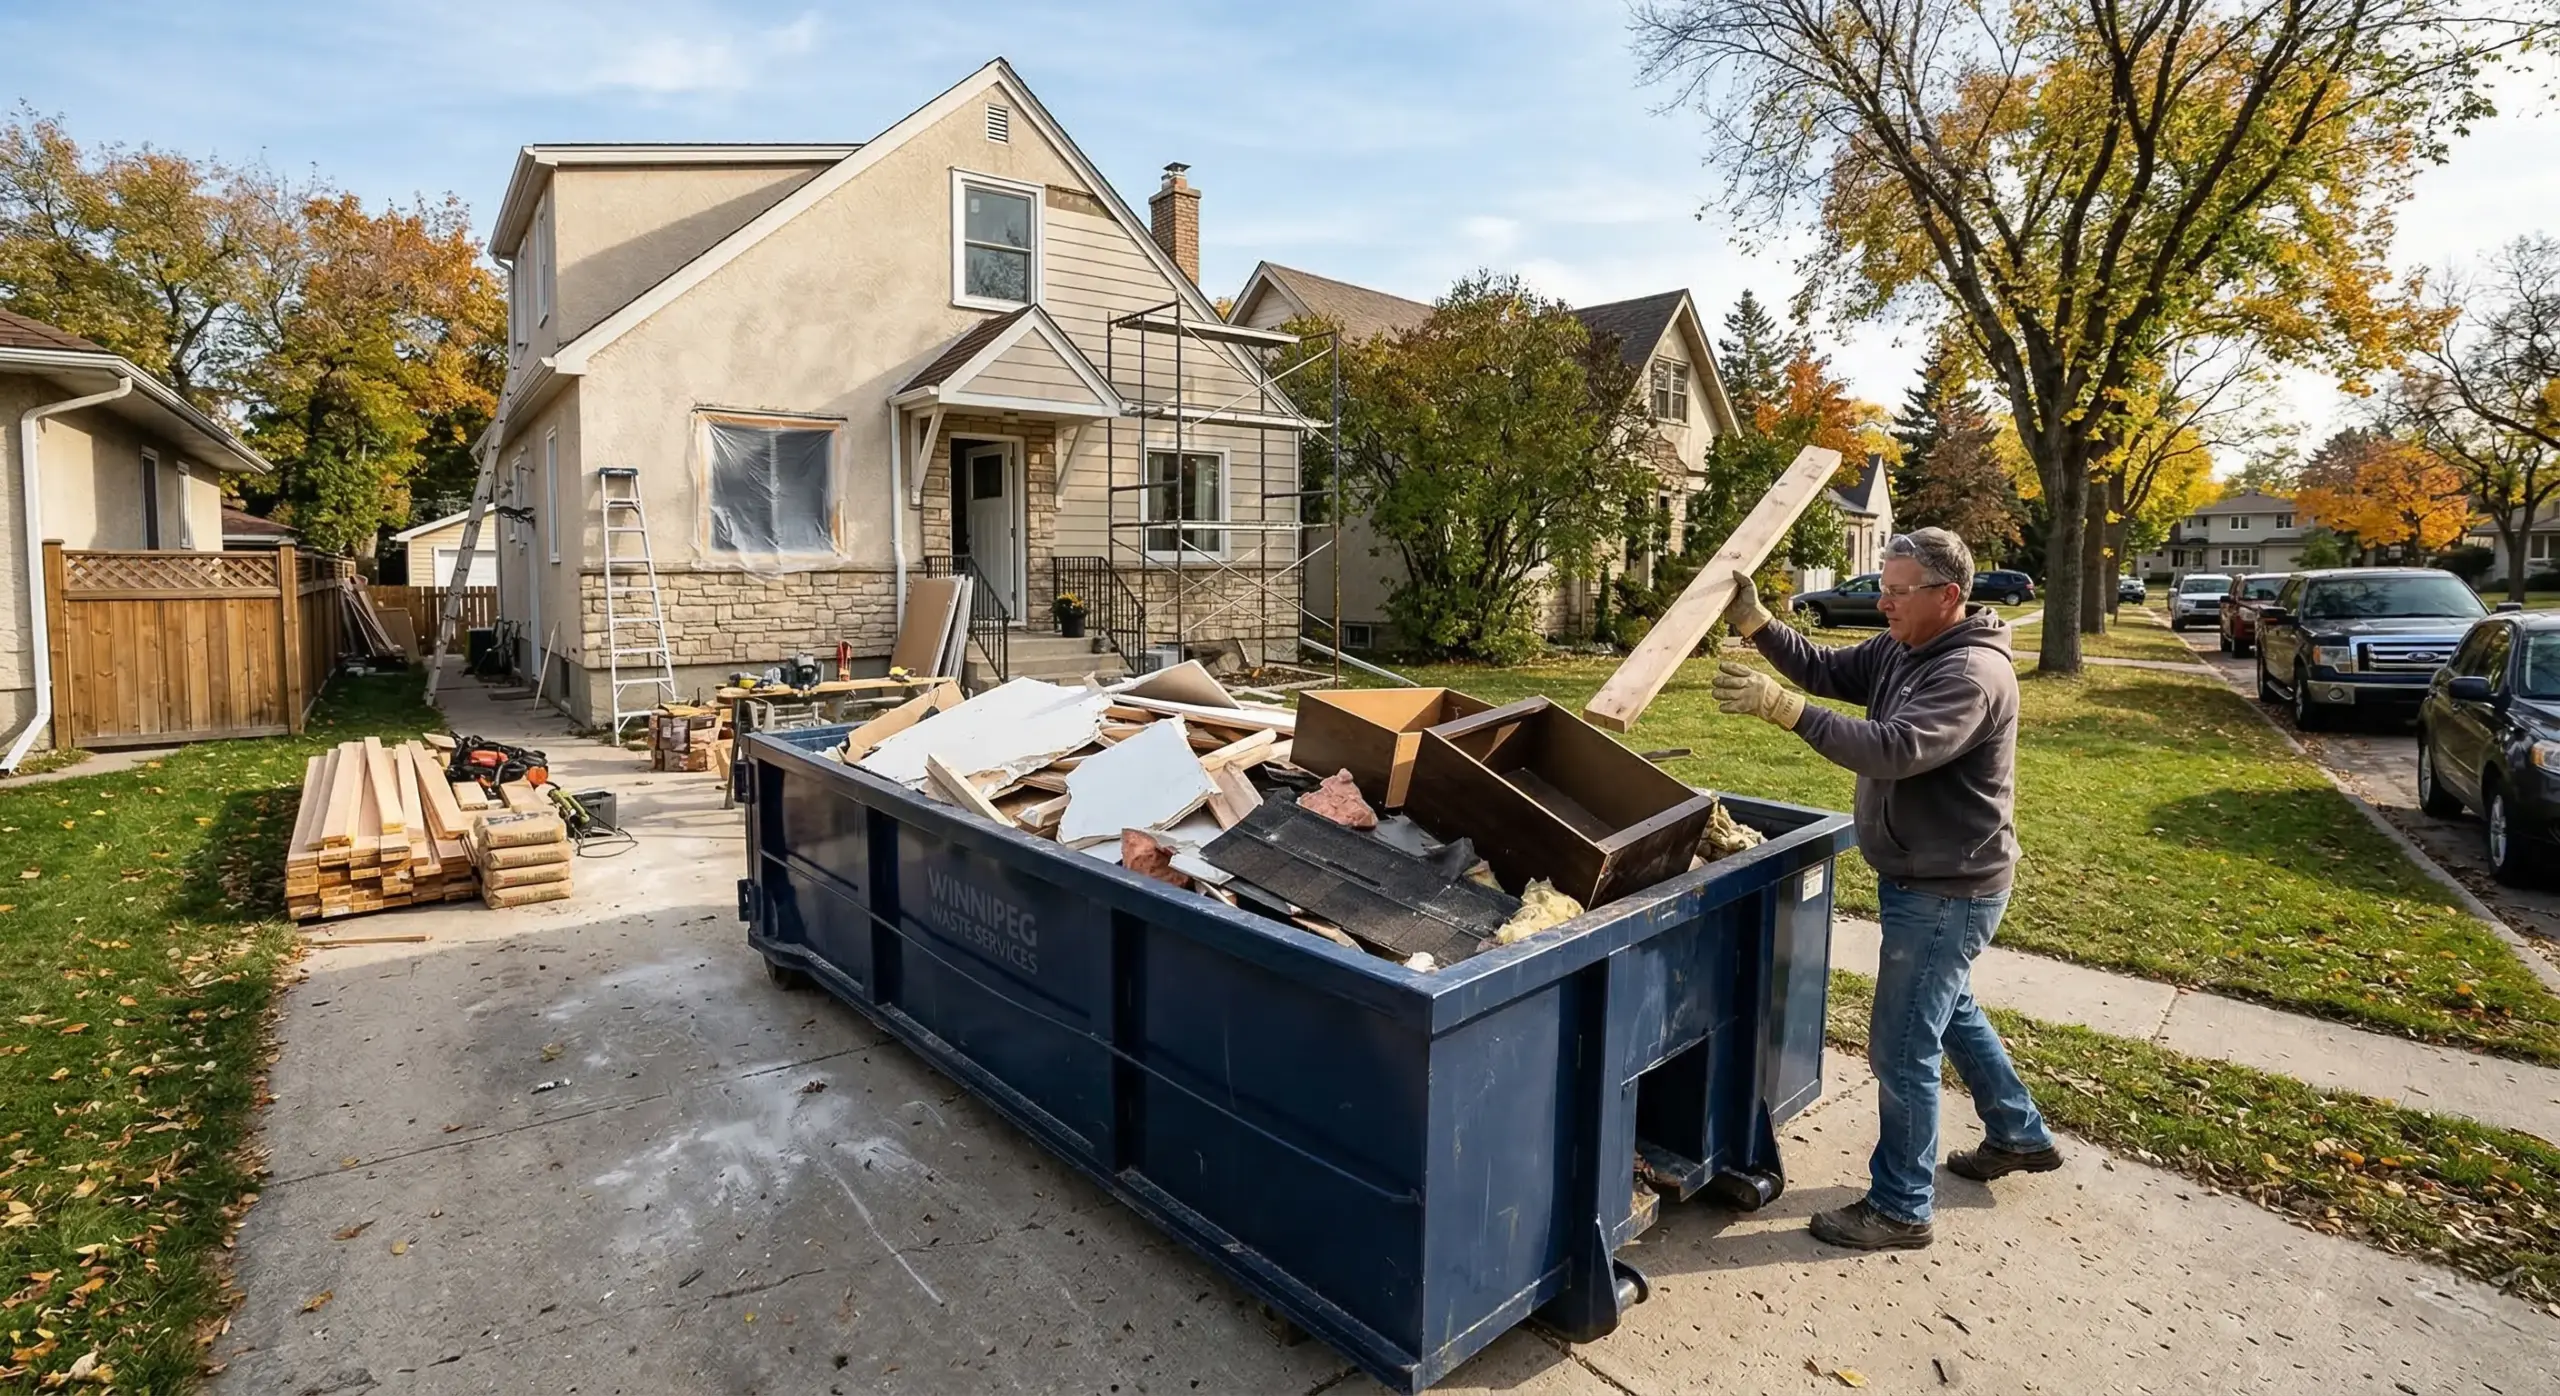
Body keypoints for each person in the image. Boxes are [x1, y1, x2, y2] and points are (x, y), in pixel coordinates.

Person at [1710, 528, 2058, 1251]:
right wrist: (1758, 625)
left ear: (1948, 597)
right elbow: (1831, 671)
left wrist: (1782, 710)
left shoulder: (1970, 675)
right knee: (1949, 1009)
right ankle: (2019, 1131)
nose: (1883, 603)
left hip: (1948, 889)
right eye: (1881, 587)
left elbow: (1896, 749)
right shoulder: (1906, 645)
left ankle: (1901, 1206)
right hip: (1927, 877)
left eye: (1897, 592)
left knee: (1901, 1050)